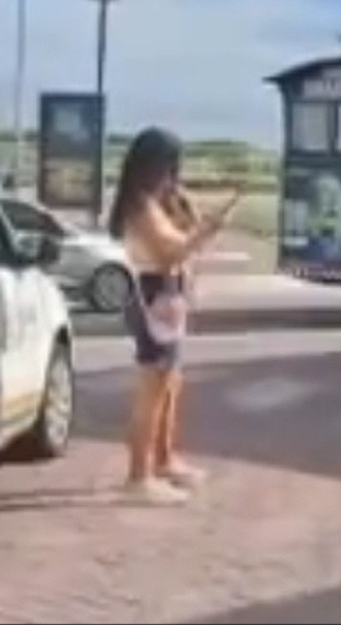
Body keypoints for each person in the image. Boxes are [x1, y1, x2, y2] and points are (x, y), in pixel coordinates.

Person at [109, 127, 236, 506]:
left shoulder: (158, 202)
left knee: (169, 383)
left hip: (167, 295)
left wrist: (190, 213)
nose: (173, 175)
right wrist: (204, 231)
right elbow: (169, 251)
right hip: (153, 293)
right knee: (153, 387)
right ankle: (138, 476)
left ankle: (163, 461)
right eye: (169, 167)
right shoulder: (140, 206)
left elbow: (182, 241)